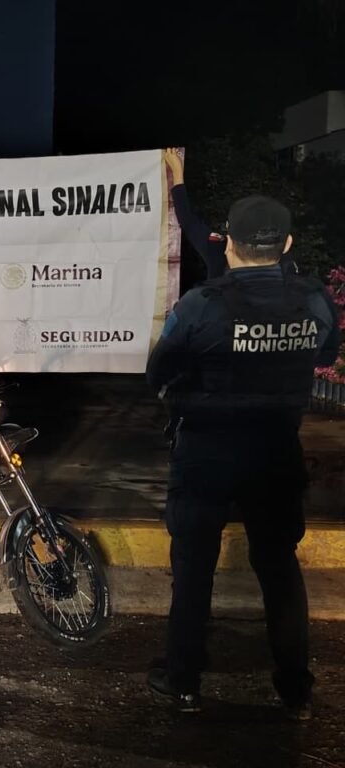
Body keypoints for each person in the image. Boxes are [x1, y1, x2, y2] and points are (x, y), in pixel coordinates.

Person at [145, 195, 341, 718]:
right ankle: (295, 689)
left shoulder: (201, 304)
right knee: (279, 569)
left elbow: (159, 374)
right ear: (287, 244)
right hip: (276, 449)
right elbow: (324, 354)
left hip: (205, 453)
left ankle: (184, 681)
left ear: (228, 243)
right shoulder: (315, 300)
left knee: (193, 568)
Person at [163, 148, 299, 279]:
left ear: (229, 242)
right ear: (287, 244)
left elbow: (189, 221)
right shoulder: (292, 275)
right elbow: (189, 221)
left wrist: (177, 173)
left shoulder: (218, 250)